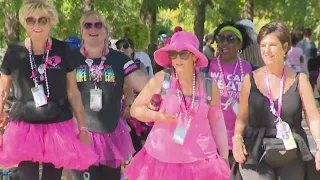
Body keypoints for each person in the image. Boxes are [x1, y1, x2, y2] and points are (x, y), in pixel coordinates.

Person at [0, 1, 98, 180]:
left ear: (51, 21)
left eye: (42, 20)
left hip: (58, 123)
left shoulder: (63, 49)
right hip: (24, 124)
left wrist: (83, 128)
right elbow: (2, 92)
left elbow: (73, 92)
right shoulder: (14, 51)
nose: (36, 25)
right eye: (31, 20)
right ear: (24, 22)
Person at [125, 31, 230, 180]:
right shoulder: (162, 79)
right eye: (173, 54)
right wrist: (157, 116)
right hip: (161, 160)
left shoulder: (208, 85)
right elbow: (136, 109)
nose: (178, 59)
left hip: (202, 163)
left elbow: (217, 122)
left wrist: (224, 157)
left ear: (194, 57)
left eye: (184, 54)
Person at [231, 22, 320, 180]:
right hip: (255, 150)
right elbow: (242, 117)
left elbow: (313, 118)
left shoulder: (300, 80)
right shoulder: (249, 80)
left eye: (272, 45)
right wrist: (237, 138)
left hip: (291, 149)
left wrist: (319, 144)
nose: (266, 50)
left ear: (284, 47)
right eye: (263, 45)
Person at [70, 11, 149, 180]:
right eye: (88, 25)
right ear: (81, 31)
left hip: (111, 137)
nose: (93, 28)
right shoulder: (71, 58)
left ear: (106, 30)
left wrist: (165, 82)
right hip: (81, 135)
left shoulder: (119, 59)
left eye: (98, 24)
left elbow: (140, 82)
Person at [208, 21, 252, 166]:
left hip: (239, 139)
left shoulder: (249, 69)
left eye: (230, 39)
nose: (224, 43)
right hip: (211, 139)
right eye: (220, 39)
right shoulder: (207, 67)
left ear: (240, 44)